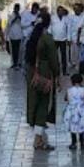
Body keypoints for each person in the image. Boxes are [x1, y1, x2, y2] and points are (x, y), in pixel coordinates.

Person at [26, 10, 60, 150]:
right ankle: (38, 139)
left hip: (32, 74)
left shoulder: (32, 38)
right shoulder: (47, 39)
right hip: (44, 74)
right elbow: (54, 59)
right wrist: (57, 75)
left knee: (34, 103)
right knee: (43, 105)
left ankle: (38, 136)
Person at [63, 72, 84, 151]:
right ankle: (82, 144)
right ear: (81, 81)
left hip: (72, 111)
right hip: (81, 111)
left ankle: (73, 143)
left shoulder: (69, 90)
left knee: (72, 127)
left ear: (71, 81)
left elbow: (66, 98)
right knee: (81, 127)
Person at [51, 6, 69, 75]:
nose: (61, 12)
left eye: (62, 11)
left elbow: (68, 28)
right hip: (55, 39)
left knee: (64, 55)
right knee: (54, 55)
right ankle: (55, 70)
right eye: (59, 11)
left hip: (63, 39)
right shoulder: (53, 18)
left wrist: (68, 38)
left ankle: (64, 71)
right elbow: (50, 27)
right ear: (57, 11)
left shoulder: (66, 18)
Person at [66, 3, 84, 72]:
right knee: (72, 52)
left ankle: (79, 64)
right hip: (73, 37)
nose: (76, 10)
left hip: (82, 37)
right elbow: (69, 28)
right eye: (75, 9)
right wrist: (68, 38)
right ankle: (72, 63)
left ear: (81, 9)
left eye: (78, 8)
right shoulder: (71, 17)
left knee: (80, 52)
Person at [6, 3, 25, 70]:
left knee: (19, 50)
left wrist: (19, 18)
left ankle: (18, 63)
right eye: (16, 8)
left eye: (18, 8)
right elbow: (9, 24)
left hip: (19, 36)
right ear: (14, 8)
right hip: (12, 36)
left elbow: (23, 24)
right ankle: (14, 63)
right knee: (13, 50)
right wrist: (15, 18)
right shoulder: (11, 15)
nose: (17, 9)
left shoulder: (21, 15)